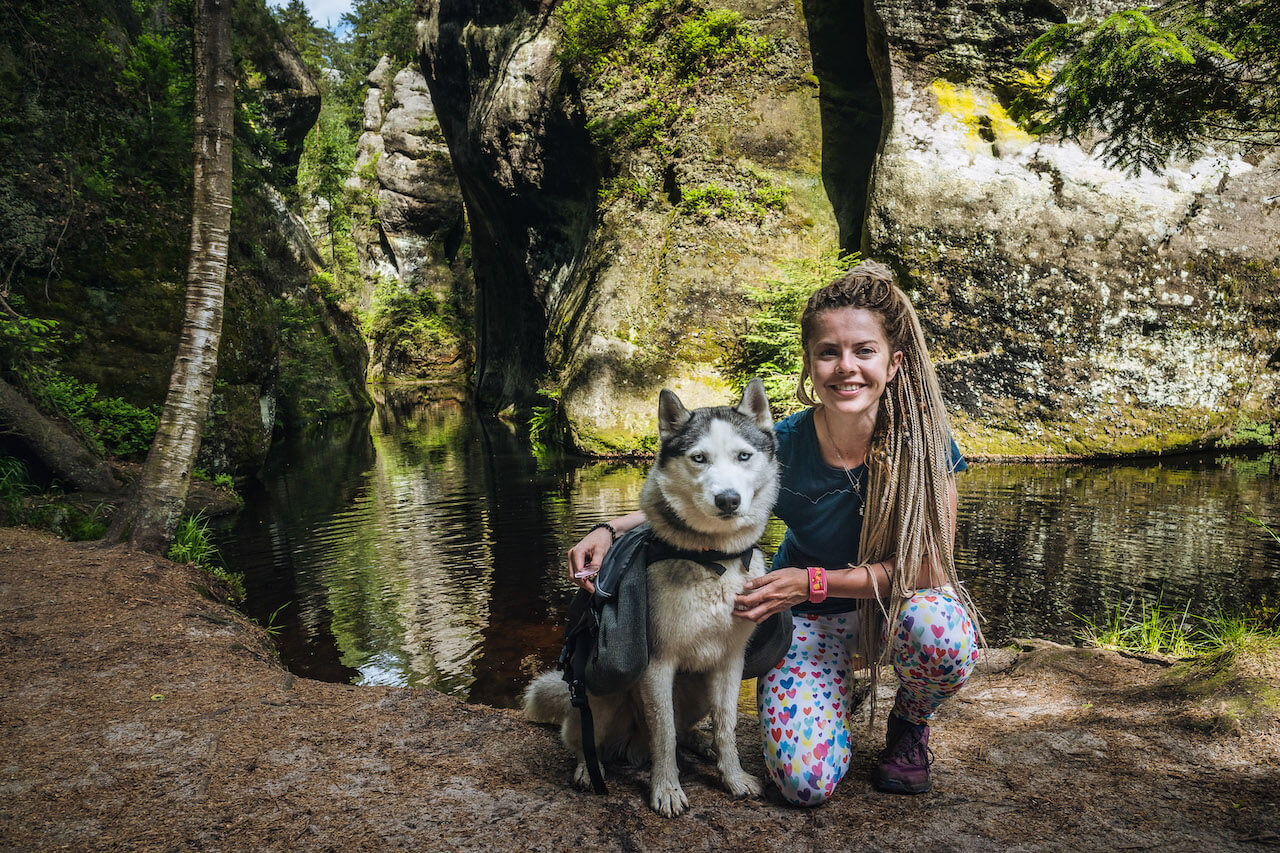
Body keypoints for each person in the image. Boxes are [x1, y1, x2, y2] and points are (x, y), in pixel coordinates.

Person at [566, 260, 982, 805]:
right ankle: (829, 695)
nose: (846, 367)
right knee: (802, 783)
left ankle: (909, 722)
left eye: (864, 350)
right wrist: (611, 527)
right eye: (828, 353)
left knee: (941, 631)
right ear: (810, 365)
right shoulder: (775, 442)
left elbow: (931, 567)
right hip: (805, 619)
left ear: (894, 361)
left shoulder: (925, 446)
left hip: (889, 609)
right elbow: (712, 497)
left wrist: (812, 582)